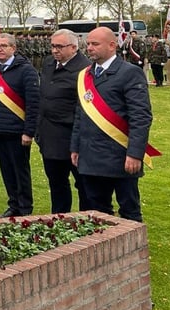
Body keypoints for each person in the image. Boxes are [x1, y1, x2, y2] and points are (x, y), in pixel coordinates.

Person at [70, 27, 154, 222]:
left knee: (129, 210)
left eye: (95, 44)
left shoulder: (130, 73)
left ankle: (132, 250)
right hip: (90, 155)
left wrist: (134, 153)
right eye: (88, 44)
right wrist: (75, 146)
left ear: (112, 45)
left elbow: (140, 117)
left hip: (120, 155)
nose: (89, 48)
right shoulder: (85, 75)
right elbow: (80, 114)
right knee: (97, 211)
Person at [0, 33, 40, 217]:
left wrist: (29, 132)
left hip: (18, 132)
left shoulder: (26, 70)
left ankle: (24, 208)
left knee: (20, 171)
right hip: (0, 130)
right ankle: (13, 205)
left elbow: (33, 103)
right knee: (7, 171)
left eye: (4, 46)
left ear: (13, 48)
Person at [36, 29, 90, 213]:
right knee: (57, 183)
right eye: (52, 46)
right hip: (49, 136)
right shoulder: (49, 64)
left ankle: (87, 221)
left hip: (73, 138)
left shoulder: (85, 69)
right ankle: (59, 219)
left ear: (74, 47)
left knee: (84, 185)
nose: (54, 50)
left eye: (59, 46)